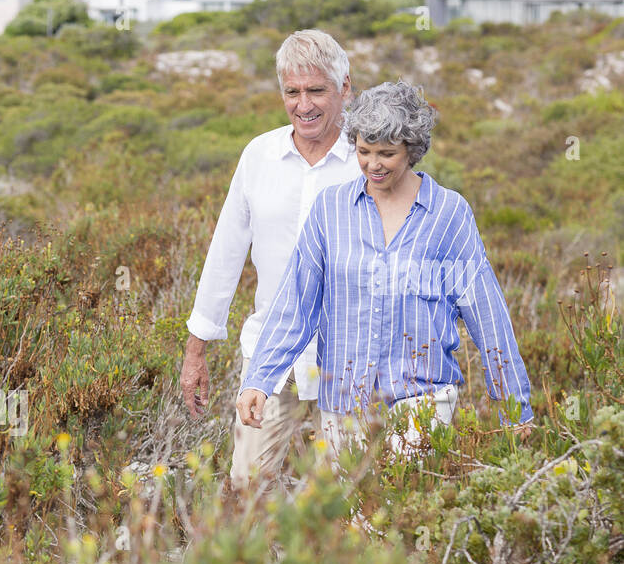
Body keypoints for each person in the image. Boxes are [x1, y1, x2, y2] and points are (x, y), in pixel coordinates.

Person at [236, 80, 535, 464]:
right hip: (344, 402)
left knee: (397, 510)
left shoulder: (449, 214)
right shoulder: (331, 210)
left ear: (412, 150)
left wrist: (515, 405)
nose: (373, 165)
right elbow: (295, 304)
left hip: (424, 400)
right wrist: (260, 379)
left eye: (387, 154)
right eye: (363, 151)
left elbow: (486, 314)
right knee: (352, 520)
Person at [180, 29, 363, 495]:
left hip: (351, 362)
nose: (304, 105)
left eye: (317, 90)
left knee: (351, 497)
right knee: (246, 485)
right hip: (270, 357)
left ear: (345, 89)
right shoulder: (258, 155)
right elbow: (226, 250)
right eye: (292, 92)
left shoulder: (371, 161)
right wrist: (196, 349)